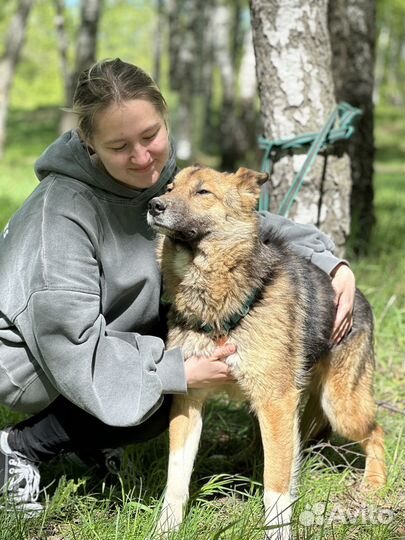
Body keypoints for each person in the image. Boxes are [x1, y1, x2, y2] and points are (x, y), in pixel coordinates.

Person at [0, 58, 355, 513]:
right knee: (165, 385)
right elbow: (72, 347)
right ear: (89, 143)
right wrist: (175, 372)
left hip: (110, 330)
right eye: (120, 145)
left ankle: (92, 439)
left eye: (151, 135)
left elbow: (239, 222)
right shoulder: (63, 216)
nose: (143, 156)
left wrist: (331, 262)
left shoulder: (160, 179)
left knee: (177, 351)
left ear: (164, 118)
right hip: (32, 362)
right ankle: (22, 447)